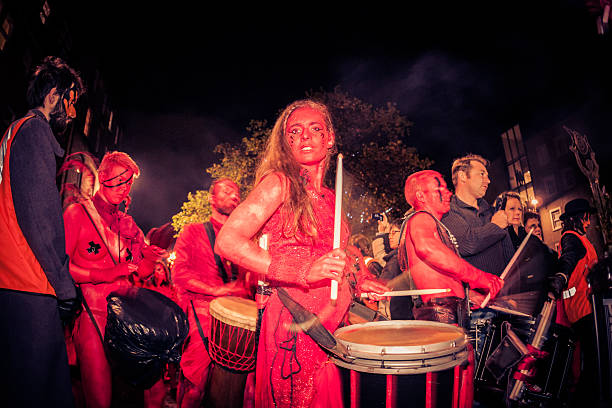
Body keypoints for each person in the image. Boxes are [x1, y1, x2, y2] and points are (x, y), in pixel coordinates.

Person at [215, 99, 388, 408]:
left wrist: (360, 278)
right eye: (295, 131)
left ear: (330, 138)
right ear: (287, 142)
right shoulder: (279, 183)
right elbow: (228, 240)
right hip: (292, 329)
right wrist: (302, 270)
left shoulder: (330, 198)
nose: (305, 136)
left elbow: (337, 253)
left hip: (330, 328)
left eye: (315, 129)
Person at [0, 56, 83, 408]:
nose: (73, 112)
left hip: (12, 279)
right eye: (71, 101)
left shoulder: (13, 131)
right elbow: (41, 221)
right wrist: (65, 289)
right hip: (29, 283)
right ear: (53, 96)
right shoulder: (34, 132)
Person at [63, 151, 166, 408]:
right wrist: (103, 274)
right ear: (103, 176)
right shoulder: (78, 213)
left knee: (152, 391)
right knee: (100, 398)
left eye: (129, 181)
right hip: (91, 315)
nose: (124, 187)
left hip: (125, 320)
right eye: (119, 179)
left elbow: (141, 272)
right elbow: (60, 267)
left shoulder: (128, 224)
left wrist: (151, 258)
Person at [398, 170, 504, 408]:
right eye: (440, 188)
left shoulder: (432, 223)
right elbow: (428, 249)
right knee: (449, 390)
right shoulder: (421, 219)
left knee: (459, 388)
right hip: (440, 316)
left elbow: (437, 275)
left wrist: (470, 295)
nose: (447, 192)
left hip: (448, 313)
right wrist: (479, 277)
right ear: (421, 196)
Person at [173, 178, 254, 408]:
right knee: (195, 390)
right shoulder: (192, 231)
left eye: (237, 193)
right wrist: (218, 290)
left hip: (238, 324)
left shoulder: (244, 242)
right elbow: (179, 274)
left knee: (243, 393)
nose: (234, 195)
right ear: (212, 199)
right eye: (227, 191)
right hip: (202, 314)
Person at [550, 198, 599, 407]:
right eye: (585, 218)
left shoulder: (577, 238)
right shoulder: (571, 238)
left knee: (589, 359)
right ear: (575, 219)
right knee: (592, 360)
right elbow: (568, 259)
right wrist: (560, 276)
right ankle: (585, 400)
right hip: (582, 310)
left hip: (584, 308)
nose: (588, 223)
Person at [441, 154, 514, 276]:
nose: (488, 180)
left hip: (504, 290)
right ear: (463, 176)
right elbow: (467, 244)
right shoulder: (448, 211)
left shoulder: (490, 211)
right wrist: (495, 226)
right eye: (481, 174)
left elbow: (508, 253)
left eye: (487, 175)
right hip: (477, 293)